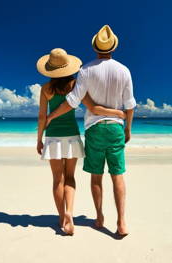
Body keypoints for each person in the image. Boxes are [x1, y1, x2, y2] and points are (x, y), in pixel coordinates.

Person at [46, 25, 136, 237]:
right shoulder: (124, 70)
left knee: (96, 177)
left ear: (95, 47)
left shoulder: (85, 70)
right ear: (113, 48)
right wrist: (128, 128)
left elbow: (71, 102)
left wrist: (51, 116)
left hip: (94, 129)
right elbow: (130, 105)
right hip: (115, 128)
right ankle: (121, 222)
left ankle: (99, 217)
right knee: (118, 176)